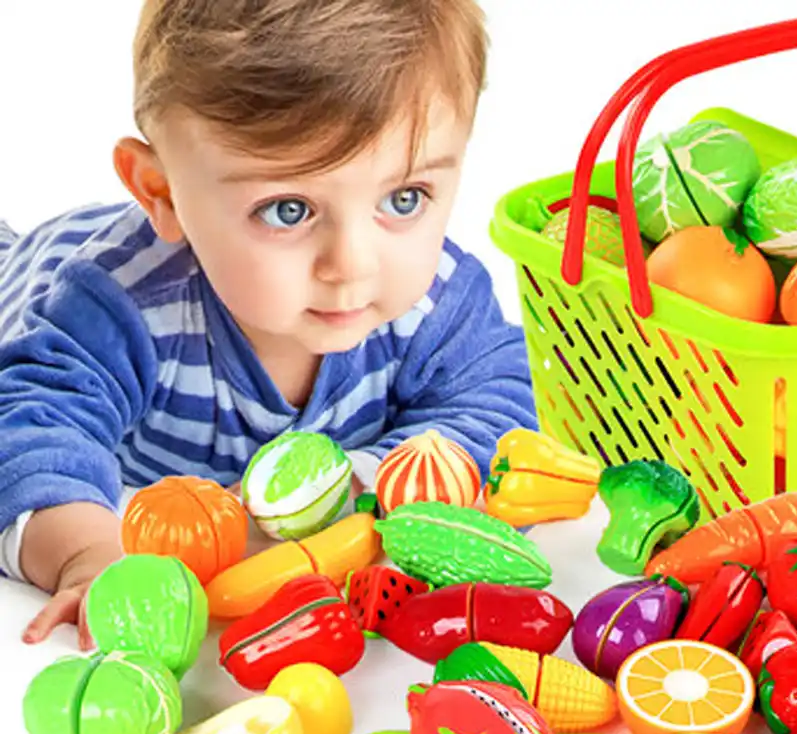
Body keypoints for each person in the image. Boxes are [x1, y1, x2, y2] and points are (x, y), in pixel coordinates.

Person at [0, 0, 537, 647]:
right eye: (288, 209)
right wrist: (88, 554)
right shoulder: (118, 307)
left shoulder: (440, 302)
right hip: (37, 272)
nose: (352, 265)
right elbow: (31, 428)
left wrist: (350, 492)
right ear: (162, 195)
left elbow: (500, 410)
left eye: (404, 198)